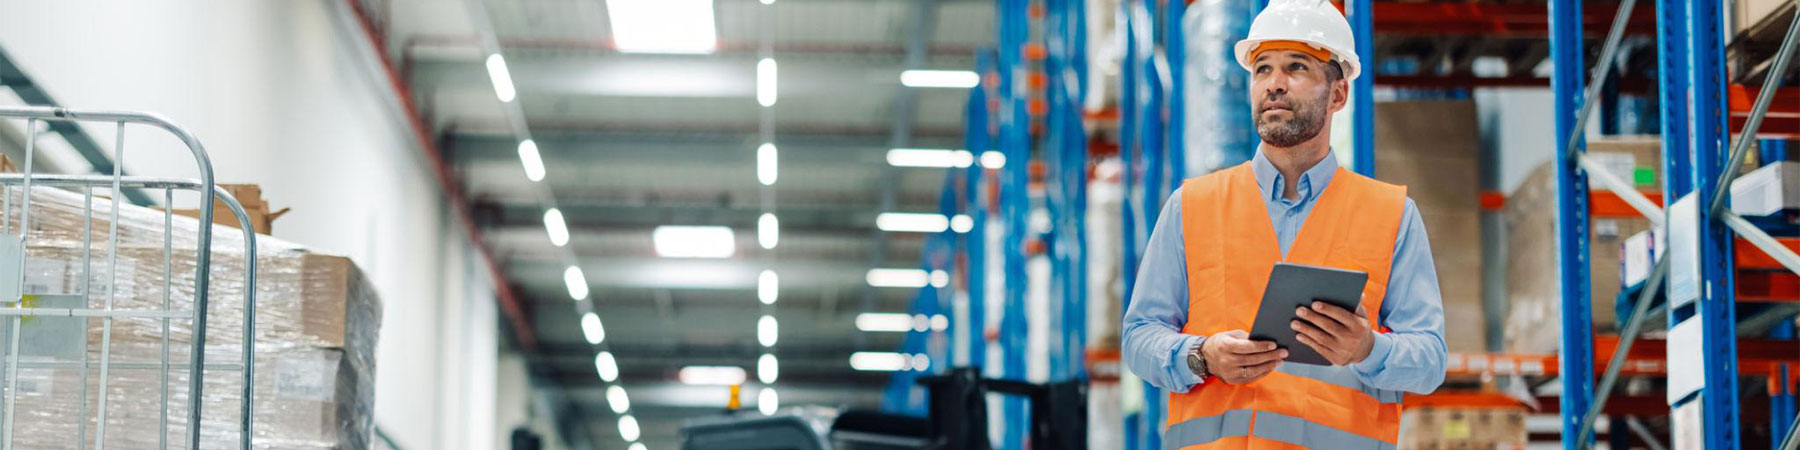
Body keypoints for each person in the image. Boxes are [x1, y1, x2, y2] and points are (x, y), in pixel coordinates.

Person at [1119, 1, 1448, 448]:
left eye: (1296, 67)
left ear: (1338, 94)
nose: (1274, 84)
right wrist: (1200, 355)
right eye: (1262, 69)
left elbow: (1429, 360)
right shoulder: (1192, 205)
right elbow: (1139, 337)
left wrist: (1367, 349)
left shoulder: (1390, 214)